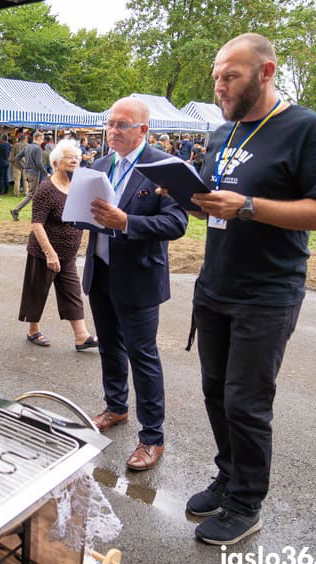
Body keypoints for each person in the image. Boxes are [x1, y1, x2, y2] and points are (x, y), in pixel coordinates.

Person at [180, 33, 316, 546]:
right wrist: (187, 195)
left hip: (268, 291)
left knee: (246, 402)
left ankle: (247, 502)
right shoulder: (221, 132)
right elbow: (215, 203)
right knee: (214, 393)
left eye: (230, 75)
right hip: (215, 283)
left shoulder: (307, 129)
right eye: (216, 76)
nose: (219, 85)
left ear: (266, 71)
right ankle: (229, 477)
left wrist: (248, 206)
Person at [81, 97, 188, 472]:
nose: (113, 131)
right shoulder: (98, 164)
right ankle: (115, 406)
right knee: (110, 346)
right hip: (101, 270)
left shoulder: (164, 167)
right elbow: (90, 213)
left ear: (144, 129)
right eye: (109, 124)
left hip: (139, 277)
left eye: (123, 125)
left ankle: (152, 437)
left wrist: (125, 221)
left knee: (142, 356)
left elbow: (177, 224)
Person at [18, 139, 97, 351]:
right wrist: (49, 253)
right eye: (70, 158)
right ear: (55, 163)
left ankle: (82, 336)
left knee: (72, 292)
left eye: (77, 158)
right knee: (37, 291)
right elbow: (36, 224)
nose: (75, 161)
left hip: (68, 253)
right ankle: (33, 330)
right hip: (45, 252)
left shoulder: (78, 187)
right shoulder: (46, 189)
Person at [10, 131, 49, 221]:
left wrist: (23, 167)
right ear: (38, 138)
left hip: (27, 172)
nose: (43, 140)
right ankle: (16, 210)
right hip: (34, 173)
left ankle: (37, 213)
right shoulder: (38, 148)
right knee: (31, 195)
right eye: (42, 138)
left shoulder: (28, 147)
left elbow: (17, 158)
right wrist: (46, 173)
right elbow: (39, 163)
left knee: (33, 194)